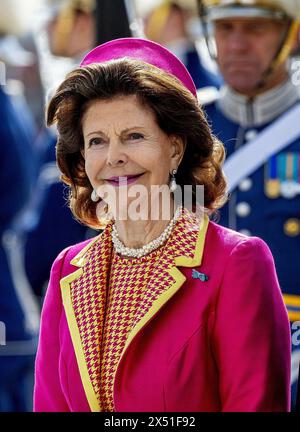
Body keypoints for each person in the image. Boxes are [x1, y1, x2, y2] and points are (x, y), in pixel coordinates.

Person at [34, 37, 291, 412]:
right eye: (97, 141)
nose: (114, 157)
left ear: (175, 147)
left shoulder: (236, 262)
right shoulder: (67, 270)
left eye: (134, 136)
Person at [200, 0, 300, 408]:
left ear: (290, 36)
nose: (237, 45)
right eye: (225, 29)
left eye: (255, 30)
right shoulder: (183, 128)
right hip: (201, 354)